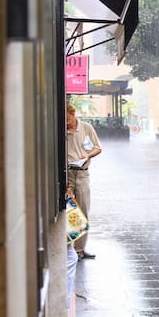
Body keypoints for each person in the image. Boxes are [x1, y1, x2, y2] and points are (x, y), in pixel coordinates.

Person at [65, 101, 102, 260]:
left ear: (74, 115)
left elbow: (97, 147)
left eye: (68, 119)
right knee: (70, 211)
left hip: (82, 173)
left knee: (83, 210)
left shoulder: (86, 128)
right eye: (64, 120)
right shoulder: (61, 131)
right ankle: (69, 247)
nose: (66, 123)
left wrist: (87, 156)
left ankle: (80, 249)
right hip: (66, 174)